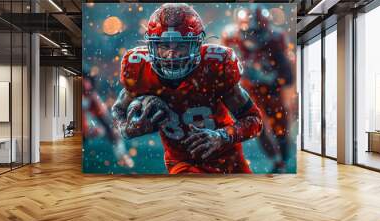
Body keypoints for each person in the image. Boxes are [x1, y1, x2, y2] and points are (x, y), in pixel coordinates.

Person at [112, 3, 263, 174]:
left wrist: (223, 136)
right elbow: (118, 110)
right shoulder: (140, 70)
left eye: (180, 46)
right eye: (164, 46)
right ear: (152, 46)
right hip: (182, 163)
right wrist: (127, 129)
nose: (171, 54)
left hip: (229, 159)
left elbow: (254, 120)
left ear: (196, 45)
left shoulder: (214, 66)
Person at [221, 7, 294, 172]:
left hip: (271, 89)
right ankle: (277, 162)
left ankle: (282, 158)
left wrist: (268, 77)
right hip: (247, 88)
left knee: (280, 127)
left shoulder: (276, 40)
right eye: (250, 32)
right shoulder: (231, 37)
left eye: (257, 32)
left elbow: (288, 76)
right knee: (257, 124)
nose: (253, 37)